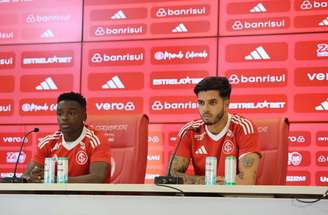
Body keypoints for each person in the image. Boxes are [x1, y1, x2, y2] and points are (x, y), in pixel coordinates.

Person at [170, 76, 261, 185]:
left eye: (212, 103)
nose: (205, 109)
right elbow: (171, 175)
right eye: (201, 103)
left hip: (236, 199)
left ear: (226, 103)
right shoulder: (190, 130)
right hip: (203, 197)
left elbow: (247, 181)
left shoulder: (244, 128)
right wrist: (208, 181)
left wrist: (200, 182)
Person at [23, 92, 111, 183]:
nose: (64, 118)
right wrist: (32, 178)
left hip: (87, 196)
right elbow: (26, 176)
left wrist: (56, 180)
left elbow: (98, 178)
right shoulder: (48, 142)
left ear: (84, 116)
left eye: (71, 113)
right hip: (53, 196)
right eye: (60, 114)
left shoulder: (96, 140)